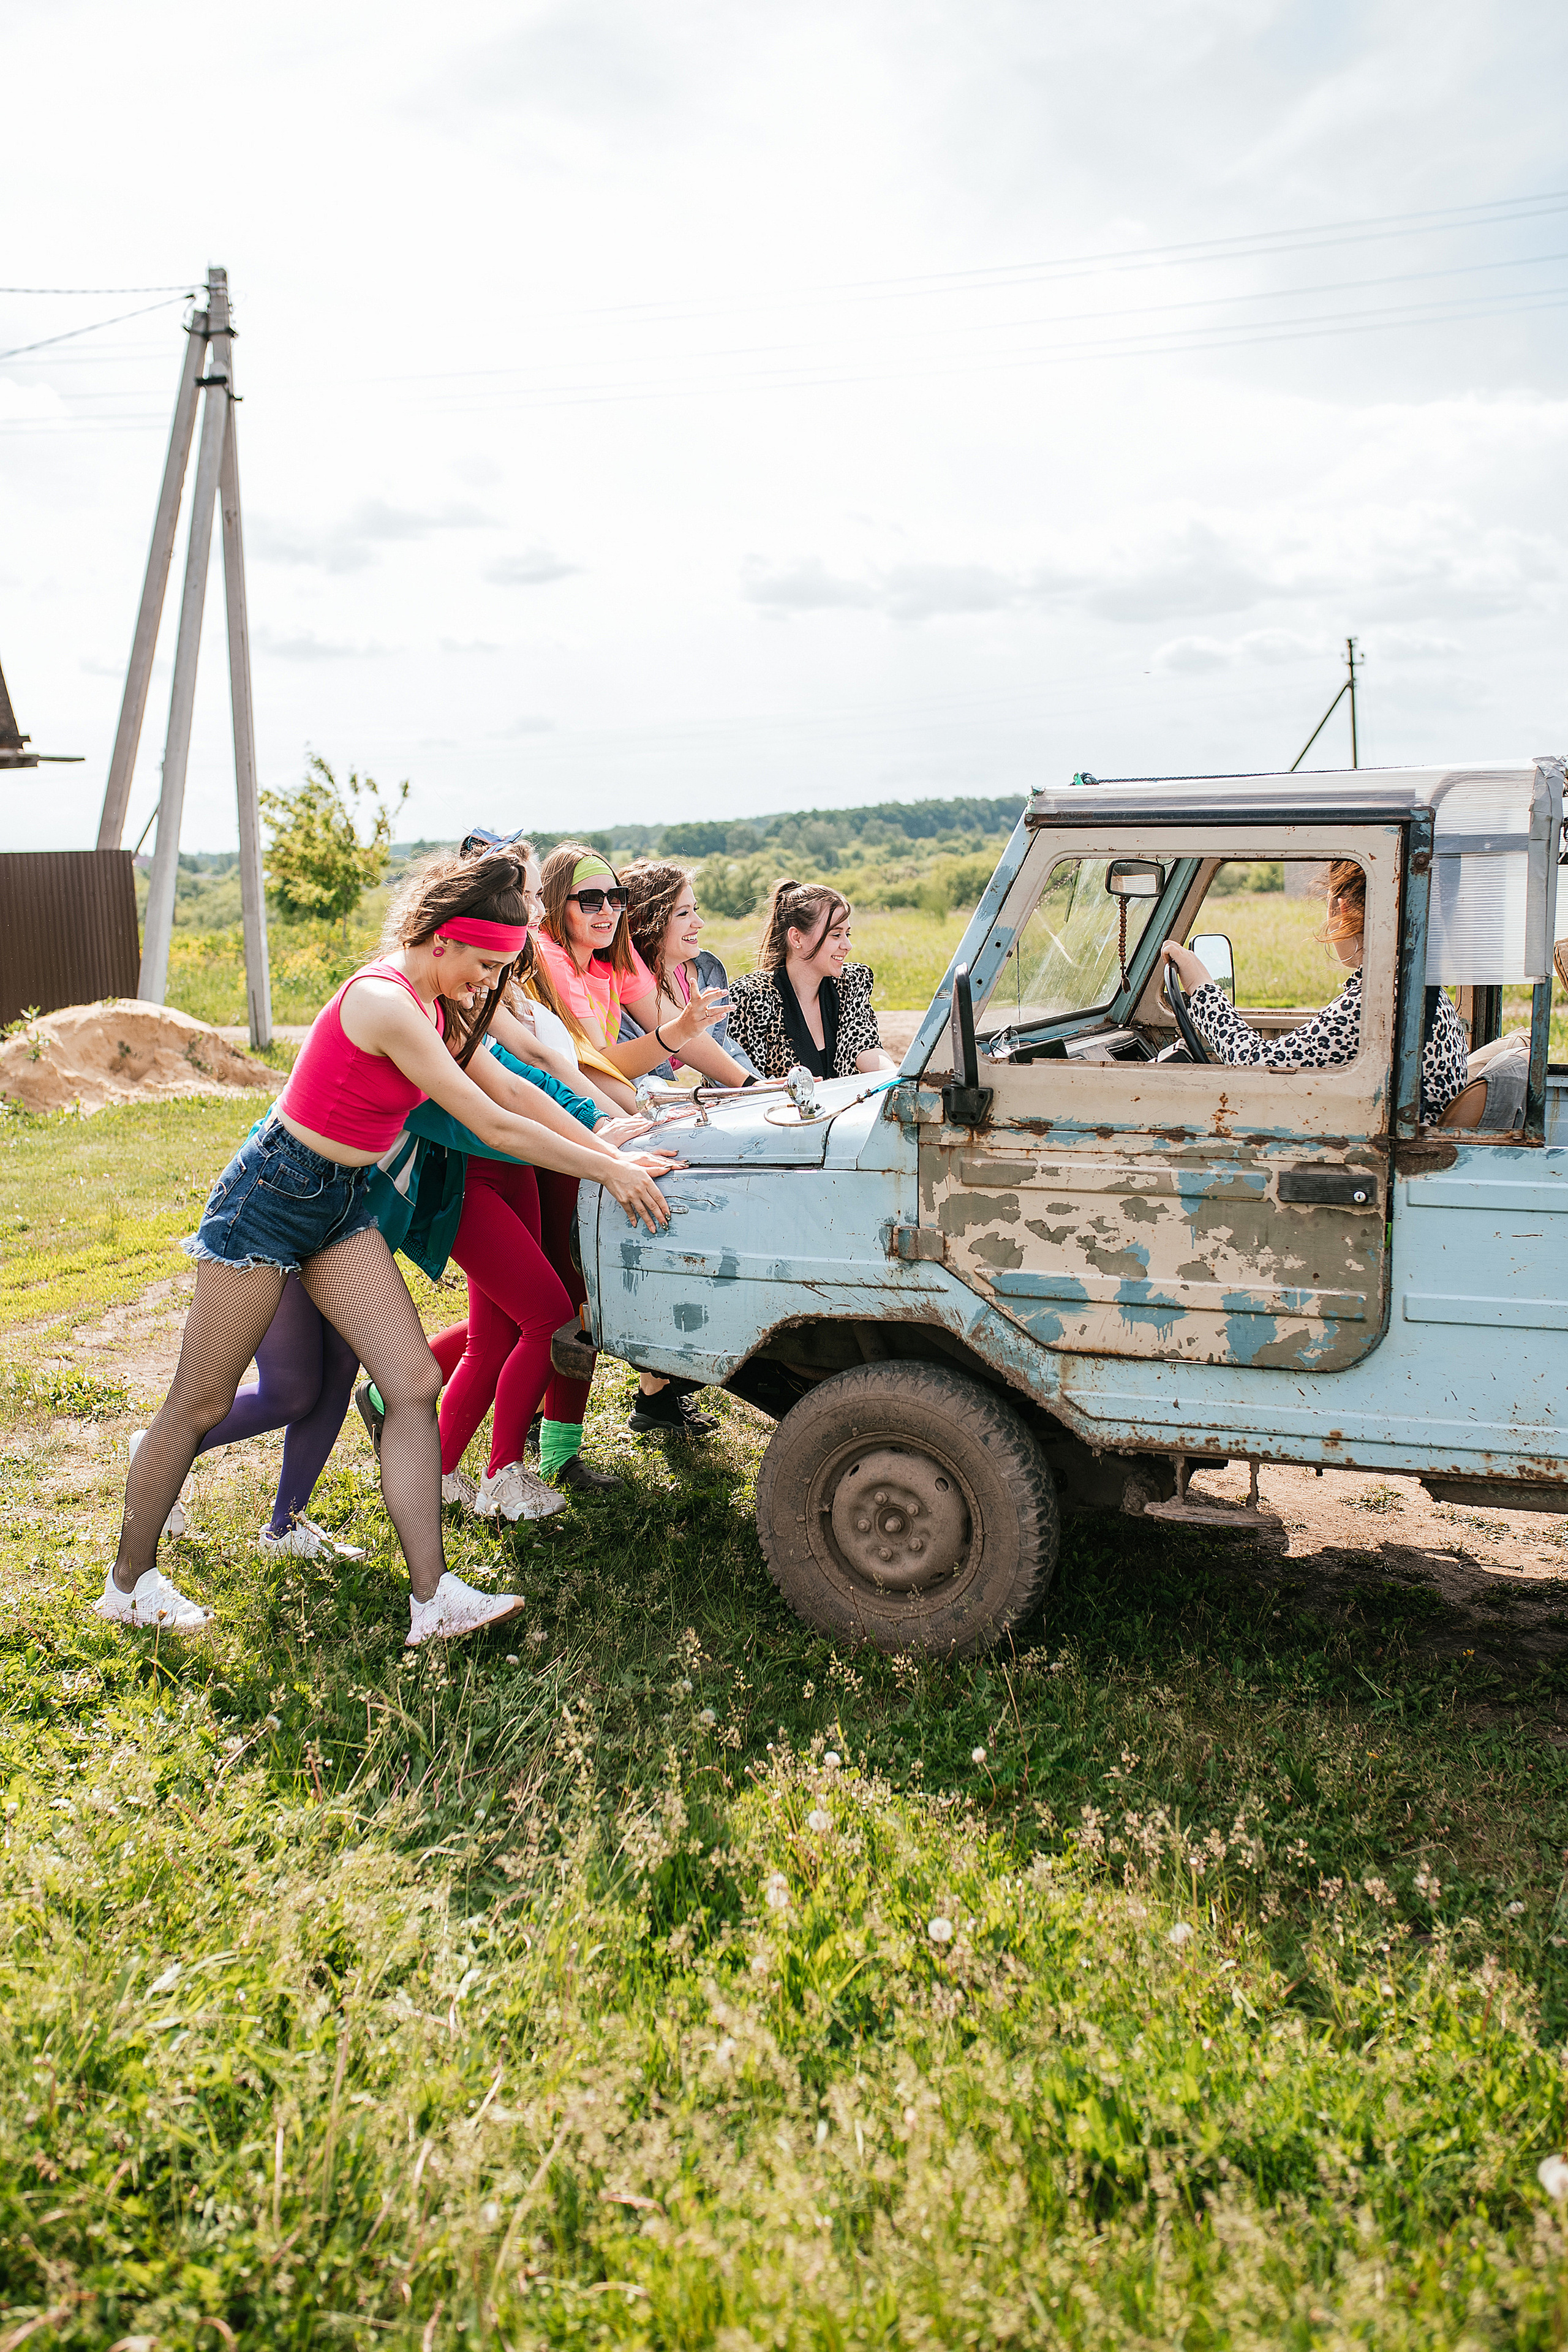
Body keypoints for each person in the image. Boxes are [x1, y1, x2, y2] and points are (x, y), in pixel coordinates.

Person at [96, 848, 677, 1644]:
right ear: (441, 939)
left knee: (407, 1382)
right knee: (199, 1401)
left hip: (338, 1207)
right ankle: (128, 1582)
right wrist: (610, 1170)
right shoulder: (386, 1001)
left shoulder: (439, 1004)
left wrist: (608, 1142)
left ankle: (432, 1599)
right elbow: (493, 1124)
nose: (486, 983)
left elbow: (511, 1090)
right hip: (266, 1203)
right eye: (482, 963)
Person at [1158, 858, 1469, 1123]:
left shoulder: (1380, 1002)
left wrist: (1200, 985)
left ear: (1342, 907)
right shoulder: (1414, 991)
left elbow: (1255, 1065)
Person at [138, 1273, 363, 1559]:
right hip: (277, 1238)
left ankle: (286, 1528)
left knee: (341, 1357)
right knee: (289, 1394)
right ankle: (160, 1447)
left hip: (341, 1233)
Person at [725, 880, 896, 1081]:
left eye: (847, 934)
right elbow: (737, 1086)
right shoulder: (751, 999)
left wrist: (896, 1078)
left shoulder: (850, 984)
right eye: (836, 935)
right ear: (797, 938)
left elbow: (863, 1044)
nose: (848, 945)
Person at [618, 859, 760, 1084]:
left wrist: (762, 1088)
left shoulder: (699, 973)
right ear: (646, 922)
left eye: (695, 910)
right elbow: (636, 1086)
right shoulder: (622, 984)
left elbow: (721, 1047)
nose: (699, 923)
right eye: (683, 914)